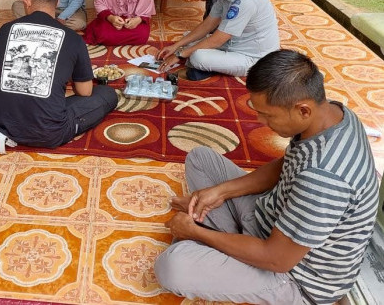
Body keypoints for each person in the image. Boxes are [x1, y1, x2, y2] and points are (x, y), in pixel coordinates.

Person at [155, 49, 379, 304]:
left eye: (267, 115)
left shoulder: (323, 178)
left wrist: (196, 233)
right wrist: (220, 192)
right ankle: (232, 242)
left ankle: (222, 241)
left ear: (303, 110)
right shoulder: (334, 115)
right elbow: (286, 165)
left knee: (172, 266)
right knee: (200, 158)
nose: (260, 120)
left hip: (294, 277)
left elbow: (277, 259)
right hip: (270, 220)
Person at [0, 0, 117, 150]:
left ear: (26, 1)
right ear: (57, 2)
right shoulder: (73, 38)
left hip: (2, 121)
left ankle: (9, 130)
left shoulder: (5, 30)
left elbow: (1, 72)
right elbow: (85, 91)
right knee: (107, 94)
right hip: (49, 132)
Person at [157, 0, 279, 80]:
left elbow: (218, 39)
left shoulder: (246, 0)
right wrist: (175, 46)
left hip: (254, 58)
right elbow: (209, 23)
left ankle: (205, 71)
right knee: (188, 38)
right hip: (232, 43)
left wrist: (180, 54)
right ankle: (210, 66)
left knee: (198, 57)